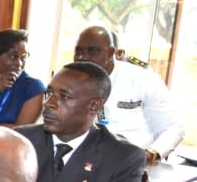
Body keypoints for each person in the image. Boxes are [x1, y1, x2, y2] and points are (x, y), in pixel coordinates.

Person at [17, 62, 144, 182]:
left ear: (93, 106)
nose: (48, 103)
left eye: (64, 96)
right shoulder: (21, 141)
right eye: (49, 93)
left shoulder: (122, 156)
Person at [73, 26, 185, 161]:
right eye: (78, 51)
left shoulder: (141, 79)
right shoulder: (69, 82)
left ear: (110, 53)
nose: (83, 57)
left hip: (136, 164)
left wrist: (149, 154)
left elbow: (173, 128)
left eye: (93, 51)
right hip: (87, 163)